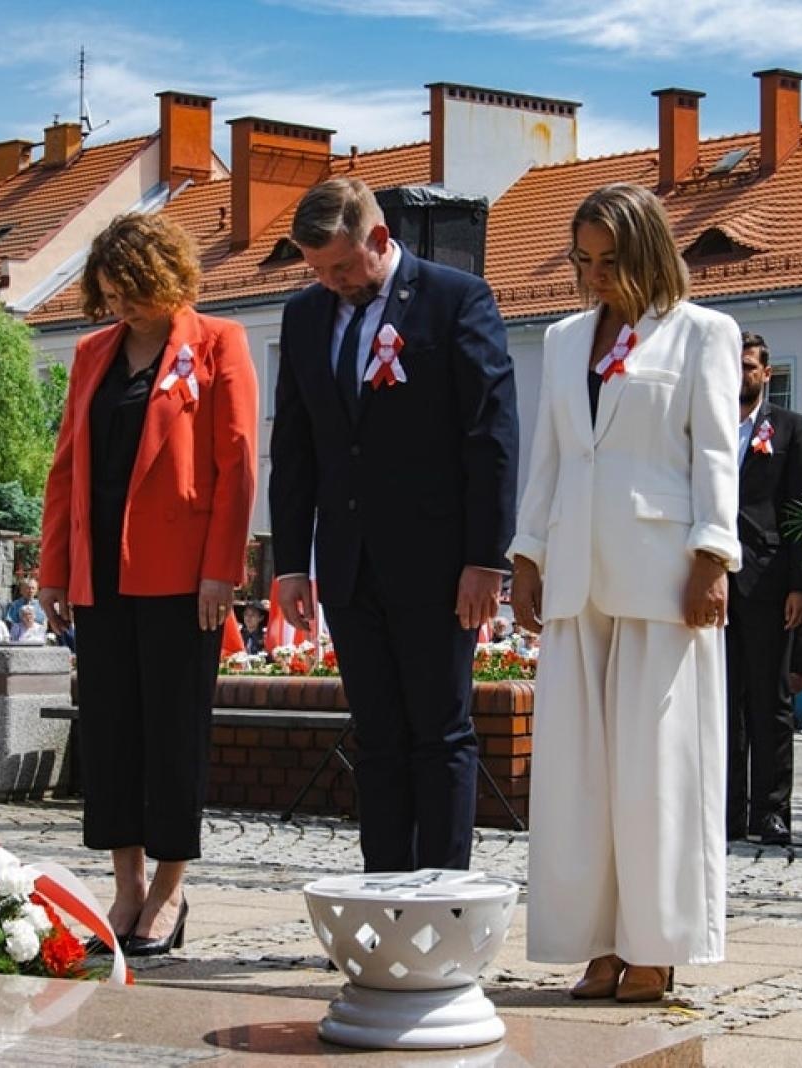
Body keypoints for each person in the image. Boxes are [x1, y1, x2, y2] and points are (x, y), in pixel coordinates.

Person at [510, 183, 740, 1003]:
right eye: (583, 260)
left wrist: (713, 553)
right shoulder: (564, 337)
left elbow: (717, 452)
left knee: (657, 771)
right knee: (577, 776)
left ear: (646, 252)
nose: (596, 275)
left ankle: (657, 944)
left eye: (610, 260)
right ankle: (596, 943)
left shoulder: (703, 334)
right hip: (575, 570)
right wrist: (526, 552)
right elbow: (550, 456)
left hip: (662, 576)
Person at [269, 176, 518, 873]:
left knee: (440, 735)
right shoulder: (305, 317)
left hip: (440, 567)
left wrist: (486, 557)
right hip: (348, 565)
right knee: (376, 737)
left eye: (342, 267)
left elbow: (490, 437)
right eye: (316, 271)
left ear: (380, 239)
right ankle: (384, 892)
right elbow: (296, 446)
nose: (331, 282)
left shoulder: (456, 299)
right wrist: (292, 561)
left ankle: (439, 899)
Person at [39, 212, 258, 956]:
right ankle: (125, 886)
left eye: (132, 292)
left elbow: (236, 467)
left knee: (173, 737)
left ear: (166, 280)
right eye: (110, 295)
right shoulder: (91, 353)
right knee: (110, 736)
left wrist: (221, 571)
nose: (121, 308)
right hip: (99, 578)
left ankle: (170, 889)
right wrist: (53, 570)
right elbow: (65, 465)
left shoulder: (219, 343)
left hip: (182, 582)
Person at [725, 332, 802, 846]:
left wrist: (801, 585)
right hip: (714, 582)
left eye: (749, 366)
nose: (741, 375)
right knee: (724, 701)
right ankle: (728, 810)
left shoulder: (790, 428)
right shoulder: (704, 421)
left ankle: (772, 810)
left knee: (770, 700)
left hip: (768, 580)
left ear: (767, 372)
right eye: (732, 366)